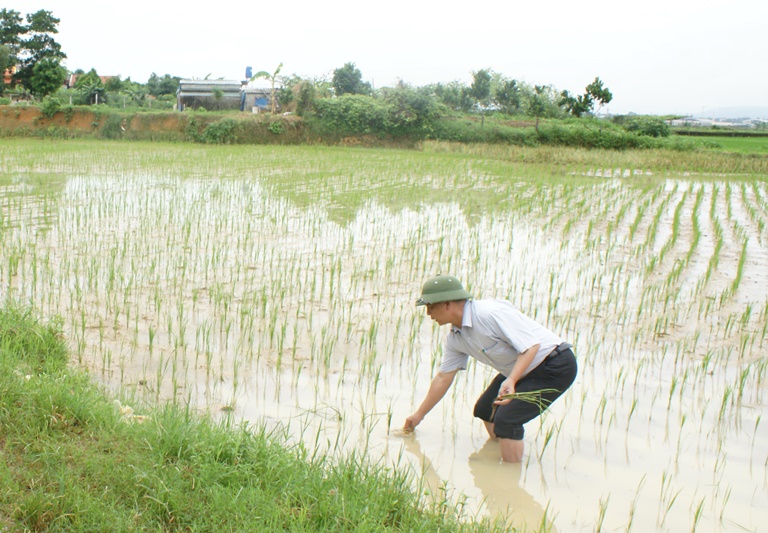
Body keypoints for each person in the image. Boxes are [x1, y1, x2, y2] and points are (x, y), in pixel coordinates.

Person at [404, 275, 577, 463]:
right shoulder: (456, 337)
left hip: (554, 365)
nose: (429, 314)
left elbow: (531, 347)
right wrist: (418, 415)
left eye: (431, 307)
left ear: (447, 304)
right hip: (521, 370)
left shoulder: (489, 313)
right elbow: (443, 378)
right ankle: (499, 456)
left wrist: (511, 380)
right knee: (485, 410)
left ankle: (509, 480)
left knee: (508, 419)